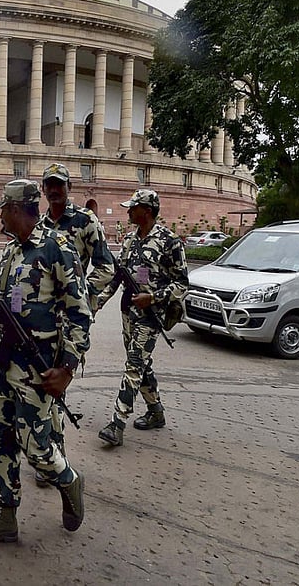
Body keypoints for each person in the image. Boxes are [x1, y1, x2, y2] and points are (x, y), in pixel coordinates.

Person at [0, 179, 90, 548]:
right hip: (5, 360)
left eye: (3, 209)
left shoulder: (57, 249)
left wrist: (67, 368)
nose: (0, 215)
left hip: (39, 370)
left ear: (18, 209)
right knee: (0, 440)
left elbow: (80, 314)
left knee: (37, 449)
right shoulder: (11, 251)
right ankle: (6, 516)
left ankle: (68, 479)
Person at [36, 163, 115, 486]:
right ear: (43, 189)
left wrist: (85, 300)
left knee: (56, 386)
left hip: (69, 320)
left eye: (60, 185)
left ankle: (55, 461)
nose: (55, 190)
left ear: (69, 188)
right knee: (45, 386)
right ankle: (51, 457)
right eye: (50, 185)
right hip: (42, 321)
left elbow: (106, 267)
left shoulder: (85, 221)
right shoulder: (39, 224)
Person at [96, 189, 188, 447]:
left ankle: (117, 423)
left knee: (134, 365)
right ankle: (156, 412)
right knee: (141, 364)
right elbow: (118, 277)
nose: (128, 211)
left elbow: (182, 283)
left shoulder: (170, 242)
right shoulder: (128, 240)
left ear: (146, 211)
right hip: (128, 313)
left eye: (132, 208)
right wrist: (97, 303)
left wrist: (155, 297)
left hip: (151, 315)